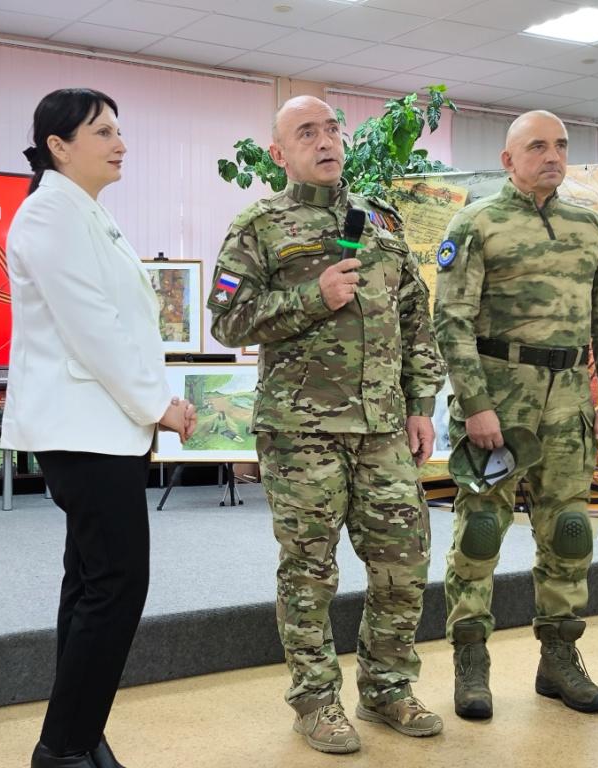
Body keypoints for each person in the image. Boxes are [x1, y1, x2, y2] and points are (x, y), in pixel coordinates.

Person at [210, 95, 445, 754]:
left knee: (403, 563)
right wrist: (312, 298)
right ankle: (314, 701)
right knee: (309, 571)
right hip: (300, 430)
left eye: (331, 129)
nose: (325, 141)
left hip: (382, 427)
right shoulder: (258, 225)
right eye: (306, 132)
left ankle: (386, 688)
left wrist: (421, 403)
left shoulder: (380, 218)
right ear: (279, 153)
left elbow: (413, 315)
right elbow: (226, 319)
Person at [1, 88, 196, 768]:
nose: (120, 143)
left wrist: (152, 402)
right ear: (58, 146)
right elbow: (93, 329)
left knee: (90, 583)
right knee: (117, 583)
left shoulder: (84, 211)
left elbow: (121, 325)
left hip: (101, 428)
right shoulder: (50, 214)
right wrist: (159, 404)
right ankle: (64, 746)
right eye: (103, 131)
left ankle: (77, 735)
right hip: (82, 430)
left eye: (119, 129)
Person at [434, 110, 598, 718]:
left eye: (561, 146)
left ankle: (559, 658)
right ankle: (471, 660)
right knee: (480, 531)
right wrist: (475, 404)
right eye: (538, 146)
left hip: (569, 399)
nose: (553, 156)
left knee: (569, 531)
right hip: (498, 397)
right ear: (508, 160)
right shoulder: (476, 223)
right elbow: (451, 321)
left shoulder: (589, 227)